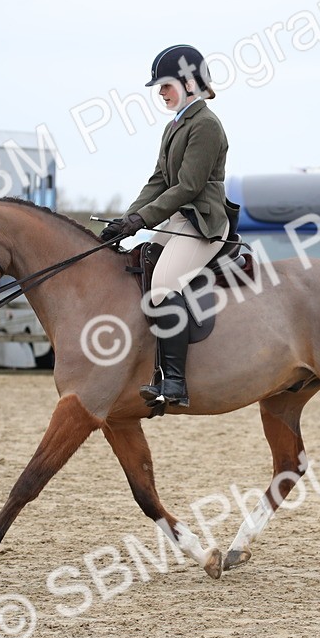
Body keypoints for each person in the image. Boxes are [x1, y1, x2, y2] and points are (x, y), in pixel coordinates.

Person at [100, 44, 233, 408]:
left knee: (161, 287)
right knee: (136, 266)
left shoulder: (205, 125)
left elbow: (188, 187)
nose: (160, 93)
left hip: (201, 222)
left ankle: (174, 382)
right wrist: (126, 220)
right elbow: (159, 180)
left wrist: (143, 219)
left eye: (165, 85)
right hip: (177, 219)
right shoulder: (176, 124)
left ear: (190, 83)